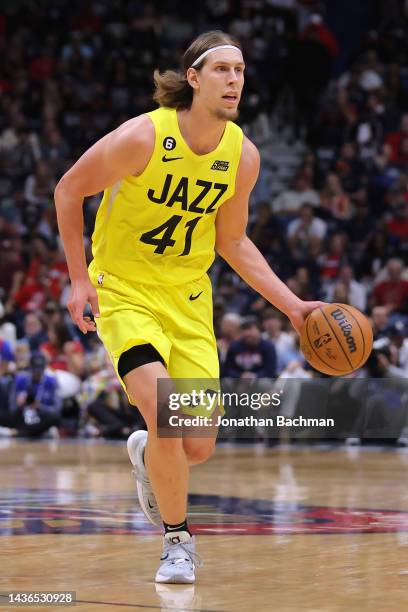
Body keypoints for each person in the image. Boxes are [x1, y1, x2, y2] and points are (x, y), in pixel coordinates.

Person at [54, 31, 324, 584]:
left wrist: (294, 307)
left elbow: (233, 241)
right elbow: (68, 189)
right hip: (126, 291)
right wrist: (79, 280)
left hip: (189, 301)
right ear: (193, 79)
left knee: (195, 444)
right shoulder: (142, 137)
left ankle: (149, 454)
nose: (234, 80)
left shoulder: (241, 156)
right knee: (166, 414)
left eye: (241, 70)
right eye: (222, 69)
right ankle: (178, 542)